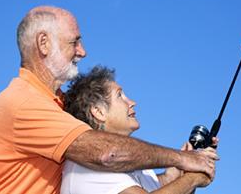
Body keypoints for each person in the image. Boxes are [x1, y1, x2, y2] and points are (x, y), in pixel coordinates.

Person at [0, 6, 218, 194]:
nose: (83, 51)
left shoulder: (58, 105)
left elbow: (144, 183)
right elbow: (107, 153)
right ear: (43, 44)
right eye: (74, 41)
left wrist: (181, 171)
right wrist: (185, 160)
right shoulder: (23, 102)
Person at [62, 66, 217, 194]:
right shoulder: (87, 162)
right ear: (98, 111)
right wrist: (193, 179)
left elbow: (155, 187)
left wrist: (178, 173)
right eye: (120, 96)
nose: (132, 102)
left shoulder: (129, 163)